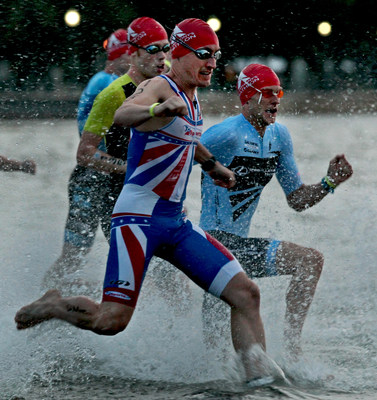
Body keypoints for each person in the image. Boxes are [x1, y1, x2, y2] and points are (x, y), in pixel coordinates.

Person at [15, 19, 277, 384]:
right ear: (180, 53)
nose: (213, 63)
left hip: (176, 223)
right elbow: (125, 114)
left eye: (216, 56)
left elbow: (184, 136)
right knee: (111, 322)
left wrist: (212, 164)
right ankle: (55, 305)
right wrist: (159, 110)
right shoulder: (159, 86)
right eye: (204, 55)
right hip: (136, 219)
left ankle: (260, 382)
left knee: (246, 294)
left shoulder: (192, 93)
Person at [199, 63, 353, 358]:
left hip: (238, 248)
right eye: (267, 92)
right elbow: (181, 154)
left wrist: (329, 182)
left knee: (309, 262)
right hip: (213, 245)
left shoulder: (279, 136)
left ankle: (291, 350)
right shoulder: (225, 134)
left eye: (278, 91)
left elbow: (296, 199)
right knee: (215, 352)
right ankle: (288, 357)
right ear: (247, 97)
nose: (276, 99)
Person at [42, 17, 169, 292]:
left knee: (143, 260)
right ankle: (49, 297)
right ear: (126, 54)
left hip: (110, 176)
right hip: (93, 180)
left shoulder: (116, 81)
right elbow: (89, 150)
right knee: (77, 256)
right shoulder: (107, 84)